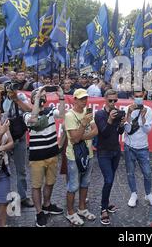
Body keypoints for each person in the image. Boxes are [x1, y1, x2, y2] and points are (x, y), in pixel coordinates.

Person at [24, 87, 65, 227]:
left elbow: (62, 114)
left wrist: (61, 97)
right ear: (32, 99)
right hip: (37, 158)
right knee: (36, 186)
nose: (42, 97)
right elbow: (34, 120)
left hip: (52, 154)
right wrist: (36, 101)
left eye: (43, 95)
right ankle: (39, 212)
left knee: (50, 182)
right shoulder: (27, 115)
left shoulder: (51, 110)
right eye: (39, 95)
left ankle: (47, 205)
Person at [0, 76, 34, 208]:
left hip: (19, 136)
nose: (8, 88)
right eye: (5, 86)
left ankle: (23, 197)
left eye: (9, 84)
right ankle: (4, 198)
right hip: (2, 138)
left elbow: (29, 109)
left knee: (21, 169)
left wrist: (15, 99)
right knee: (2, 170)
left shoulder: (19, 95)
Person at [64, 89, 98, 226]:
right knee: (73, 185)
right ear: (75, 100)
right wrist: (84, 124)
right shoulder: (69, 115)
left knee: (85, 183)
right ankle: (70, 212)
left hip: (88, 153)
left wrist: (80, 137)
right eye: (81, 98)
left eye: (86, 98)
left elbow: (95, 131)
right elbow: (74, 139)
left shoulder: (88, 111)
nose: (84, 101)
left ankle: (82, 208)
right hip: (74, 156)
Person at [94, 89, 126, 225]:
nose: (113, 103)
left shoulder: (117, 112)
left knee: (111, 180)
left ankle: (106, 203)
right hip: (103, 152)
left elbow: (119, 132)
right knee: (108, 179)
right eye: (110, 100)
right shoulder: (100, 114)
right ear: (105, 99)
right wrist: (110, 119)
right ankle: (103, 208)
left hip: (115, 151)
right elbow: (104, 132)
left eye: (115, 100)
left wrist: (121, 124)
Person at [124, 90, 152, 208]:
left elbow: (148, 131)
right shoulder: (127, 108)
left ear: (143, 96)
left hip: (143, 146)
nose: (138, 98)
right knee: (130, 172)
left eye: (140, 96)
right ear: (133, 96)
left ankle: (148, 194)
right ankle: (133, 194)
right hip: (129, 146)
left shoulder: (148, 110)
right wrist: (128, 114)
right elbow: (128, 130)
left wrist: (143, 118)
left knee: (147, 173)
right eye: (136, 96)